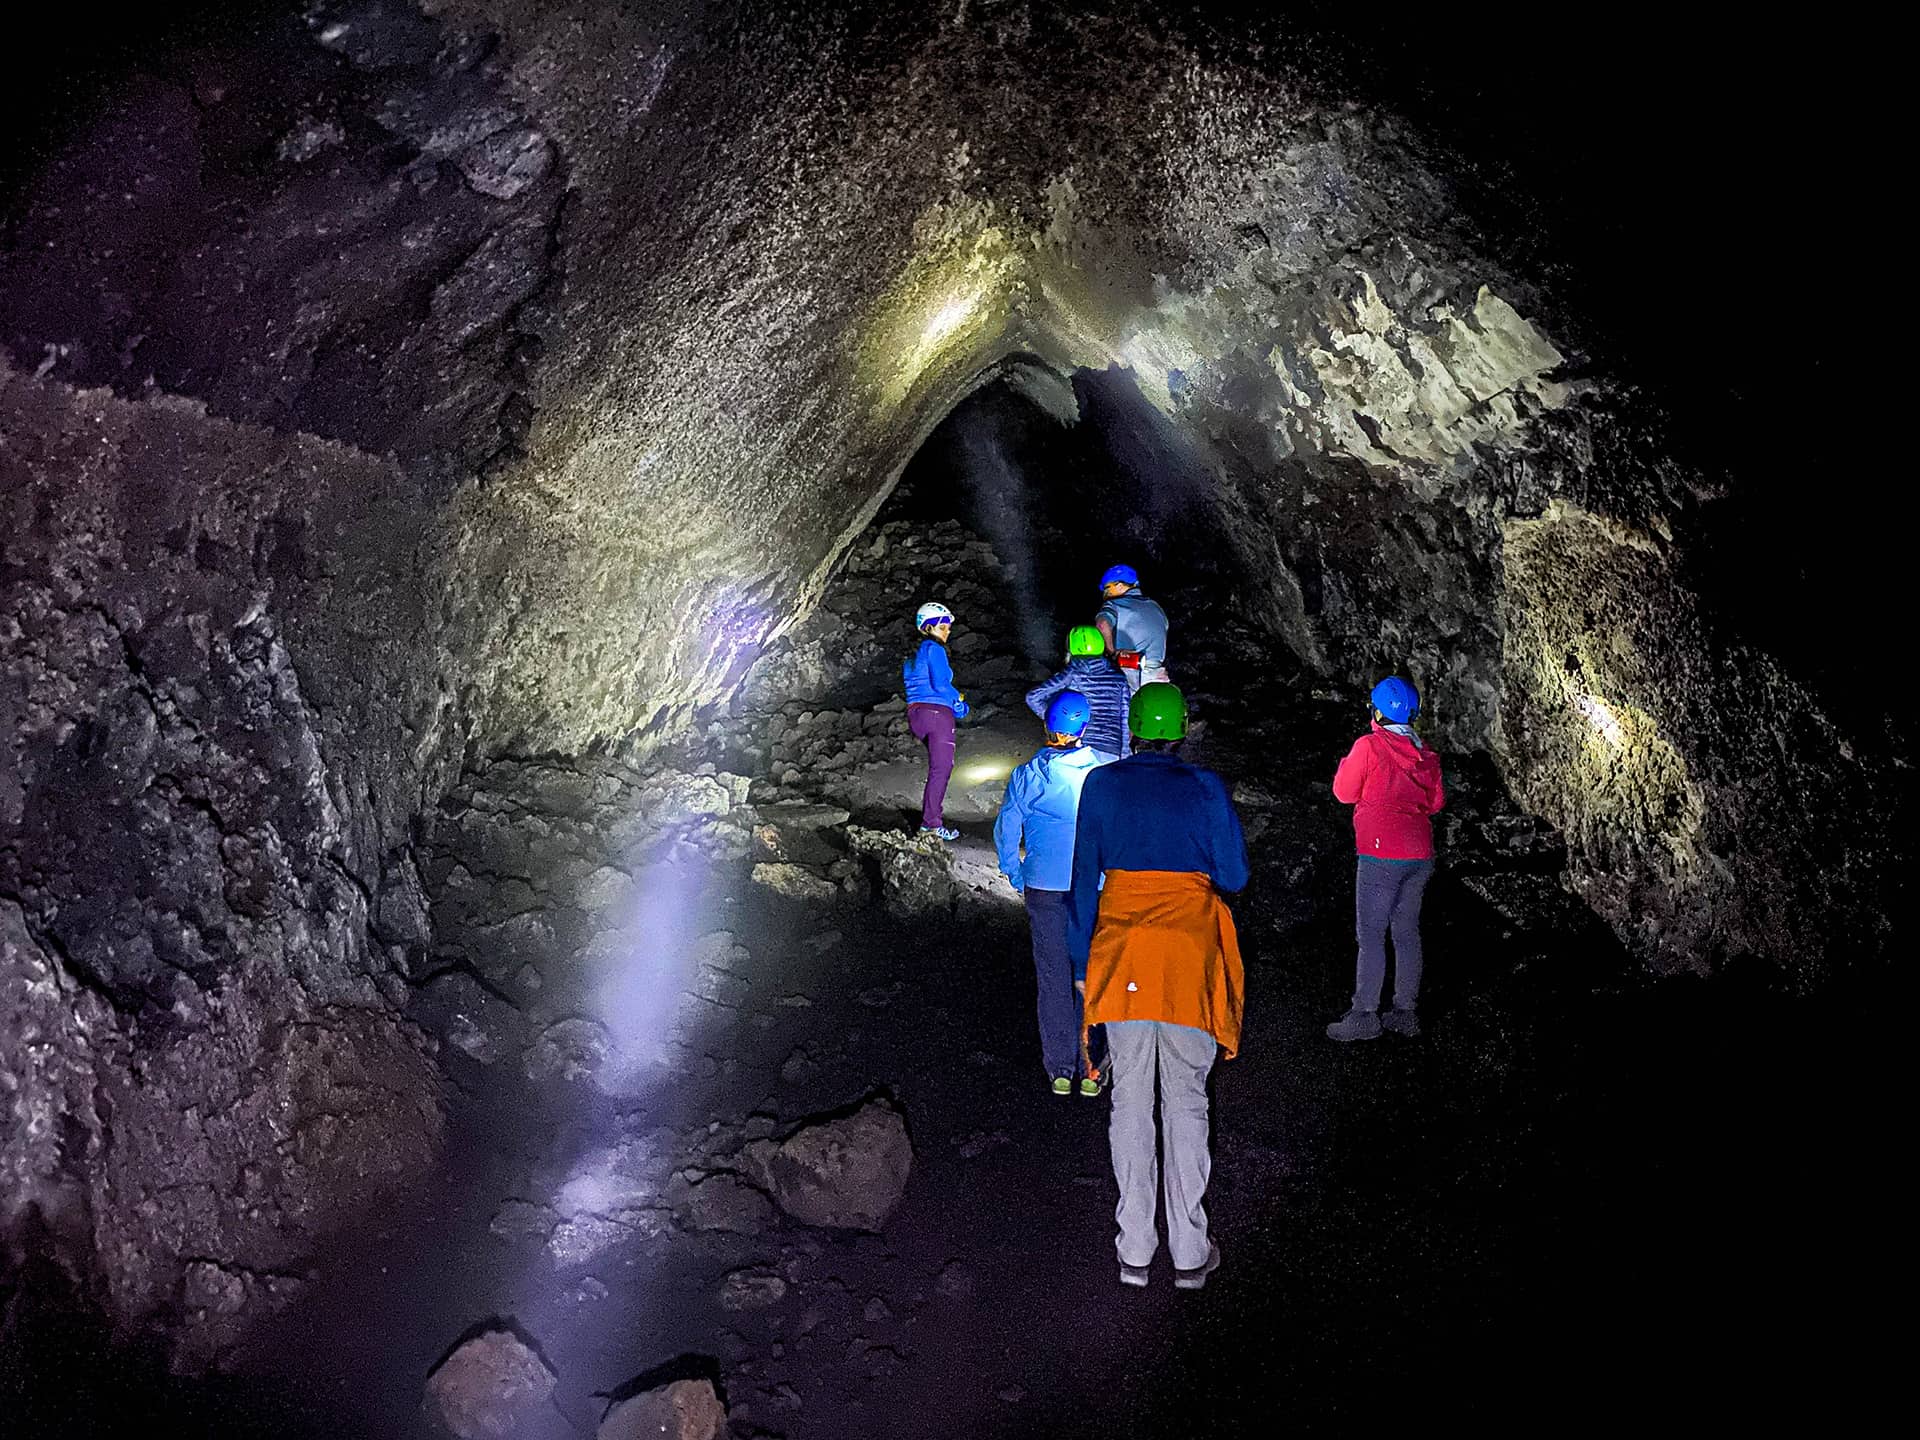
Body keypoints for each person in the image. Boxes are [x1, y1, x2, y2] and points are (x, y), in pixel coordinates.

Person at [1068, 682, 1248, 1290]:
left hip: (1123, 959)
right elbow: (1235, 874)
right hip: (1187, 958)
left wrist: (1080, 963)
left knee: (1129, 1102)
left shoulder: (1102, 784)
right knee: (1187, 1101)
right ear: (1179, 733)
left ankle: (1136, 1250)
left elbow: (1083, 877)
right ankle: (1191, 1252)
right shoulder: (1204, 789)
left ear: (1134, 730)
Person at [995, 691, 1116, 1096]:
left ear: (1048, 724)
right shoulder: (1102, 770)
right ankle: (1092, 1067)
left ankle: (1061, 1069)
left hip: (1044, 887)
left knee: (1052, 979)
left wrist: (1016, 873)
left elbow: (1008, 829)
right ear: (1084, 727)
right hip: (1090, 888)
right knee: (1092, 974)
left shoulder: (1030, 775)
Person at [1325, 676, 1446, 1042]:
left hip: (1380, 854)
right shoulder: (1426, 755)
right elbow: (1435, 803)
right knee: (1407, 932)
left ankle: (1364, 1014)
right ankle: (1404, 1013)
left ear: (1376, 712)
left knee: (1372, 935)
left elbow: (1343, 793)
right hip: (1420, 855)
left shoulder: (1369, 746)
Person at [901, 601, 969, 841]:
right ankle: (931, 824)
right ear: (928, 627)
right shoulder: (934, 648)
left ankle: (930, 821)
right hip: (937, 714)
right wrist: (958, 703)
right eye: (942, 626)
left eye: (948, 627)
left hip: (916, 716)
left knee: (937, 769)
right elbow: (940, 685)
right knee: (941, 770)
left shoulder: (911, 656)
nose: (947, 631)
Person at [1024, 624, 1132, 762]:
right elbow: (1125, 718)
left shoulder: (1074, 671)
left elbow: (1033, 697)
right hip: (1112, 749)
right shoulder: (1119, 677)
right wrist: (1125, 755)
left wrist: (1056, 718)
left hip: (1082, 749)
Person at [1093, 564, 1170, 694]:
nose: (1105, 594)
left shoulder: (1114, 604)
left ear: (1119, 585)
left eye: (1107, 588)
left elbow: (1102, 624)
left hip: (1130, 675)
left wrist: (1112, 652)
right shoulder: (1157, 608)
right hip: (1158, 677)